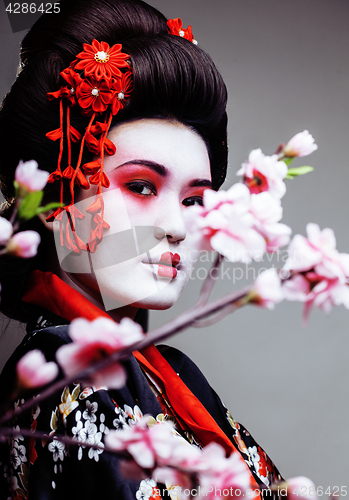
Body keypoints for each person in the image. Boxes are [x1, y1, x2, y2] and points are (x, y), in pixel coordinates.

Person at [0, 0, 282, 498]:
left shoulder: (164, 372)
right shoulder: (75, 375)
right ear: (53, 199)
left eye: (195, 199)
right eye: (142, 187)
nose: (178, 226)